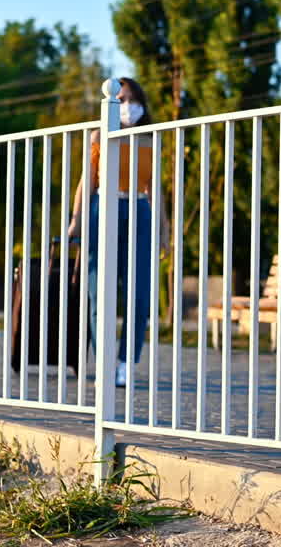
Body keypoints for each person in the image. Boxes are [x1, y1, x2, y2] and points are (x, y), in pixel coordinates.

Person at [69, 77, 170, 387]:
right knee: (100, 291)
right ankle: (103, 362)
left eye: (131, 99)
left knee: (139, 294)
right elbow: (88, 179)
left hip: (139, 210)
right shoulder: (100, 135)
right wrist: (76, 218)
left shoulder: (149, 139)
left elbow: (155, 188)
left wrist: (164, 228)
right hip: (104, 207)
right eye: (121, 100)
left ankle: (126, 363)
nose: (127, 106)